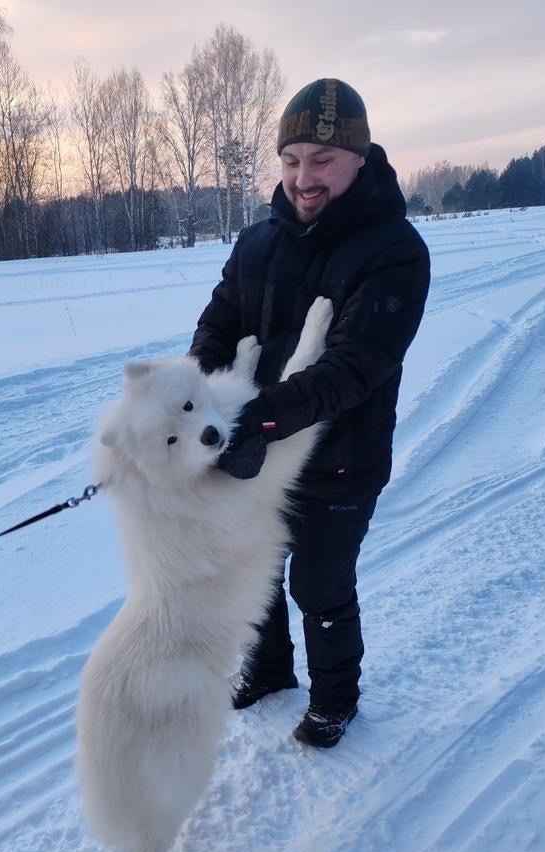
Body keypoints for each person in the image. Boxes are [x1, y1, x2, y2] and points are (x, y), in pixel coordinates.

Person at [190, 79, 430, 748]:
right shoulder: (258, 242)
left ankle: (335, 699)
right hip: (254, 448)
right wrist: (203, 406)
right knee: (252, 569)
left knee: (319, 584)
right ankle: (268, 671)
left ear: (359, 156)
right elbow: (218, 323)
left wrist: (258, 420)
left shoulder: (395, 251)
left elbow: (355, 366)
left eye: (322, 159)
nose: (303, 177)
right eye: (292, 159)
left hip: (339, 459)